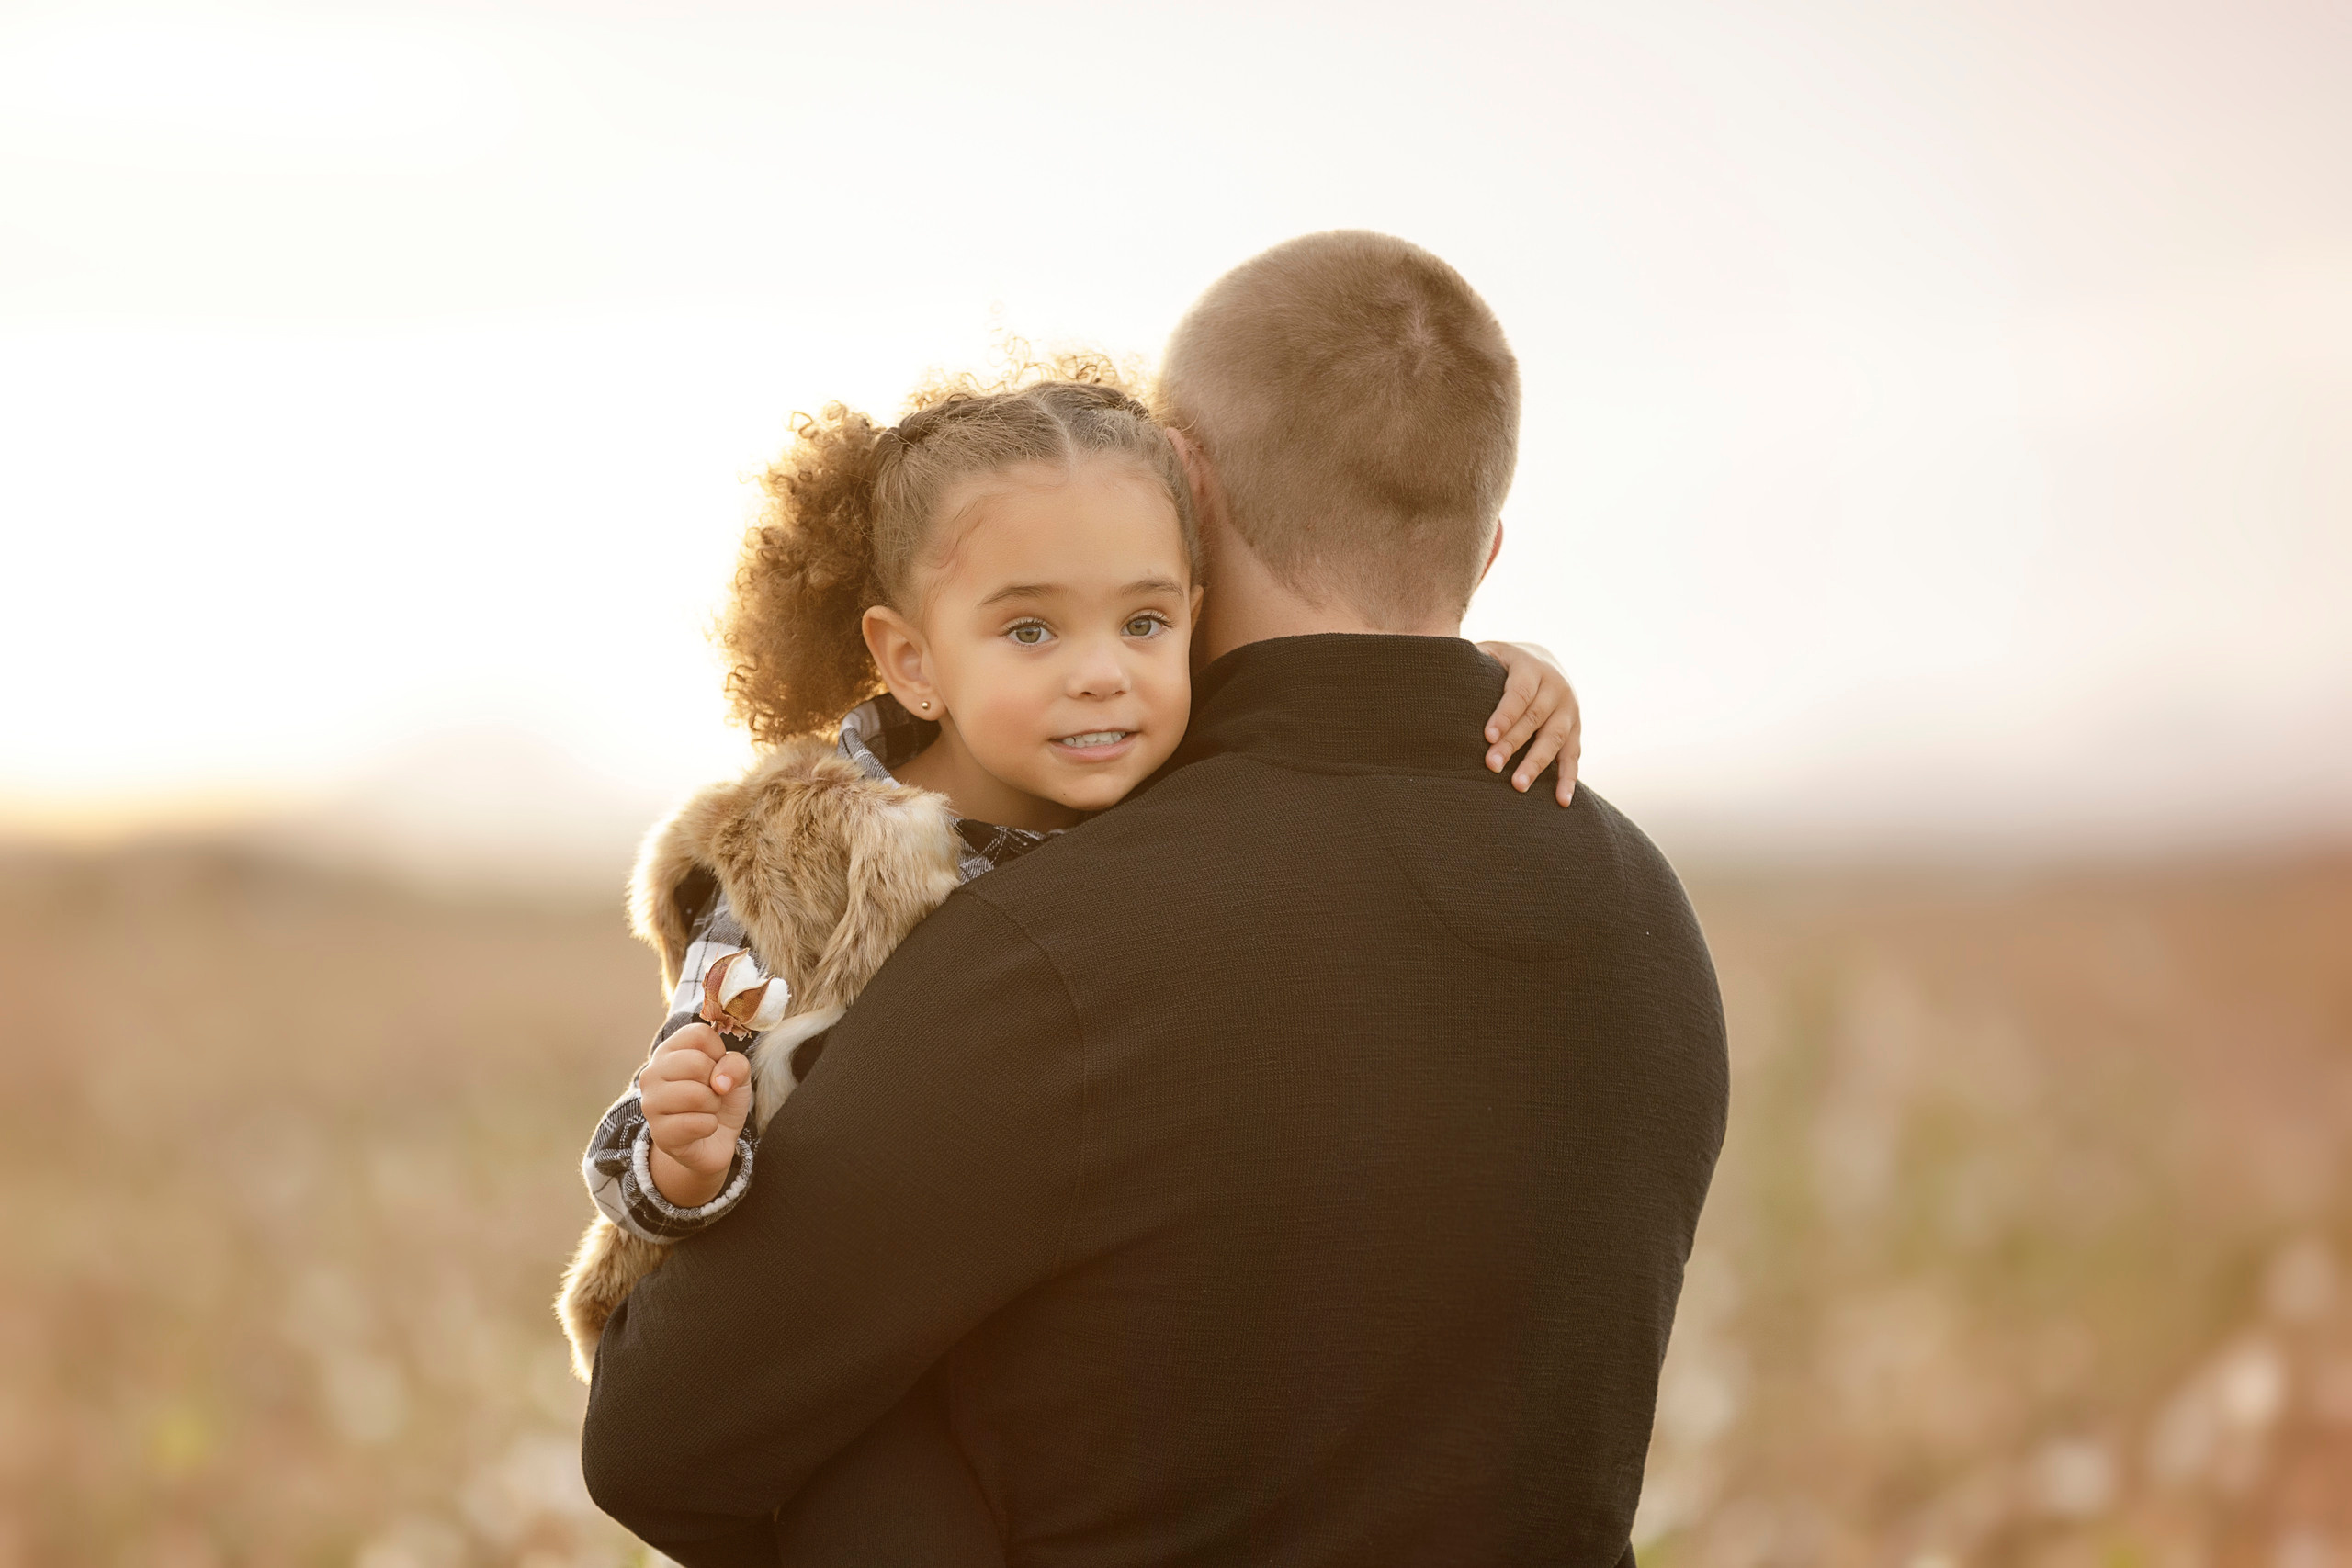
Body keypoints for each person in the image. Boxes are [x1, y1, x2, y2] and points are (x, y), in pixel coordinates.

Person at [582, 232, 1727, 1567]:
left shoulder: (1047, 942)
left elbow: (660, 1441)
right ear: (1485, 550)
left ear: (1185, 487)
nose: (1097, 668)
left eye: (1139, 618)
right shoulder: (1648, 916)